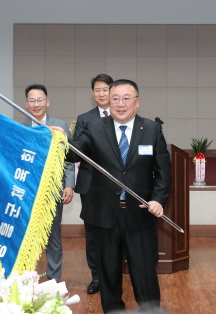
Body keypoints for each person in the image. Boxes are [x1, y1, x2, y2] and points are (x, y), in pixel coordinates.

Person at [68, 79, 172, 313]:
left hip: (140, 215)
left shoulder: (152, 129)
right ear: (108, 101)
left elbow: (163, 172)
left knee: (145, 274)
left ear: (137, 102)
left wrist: (158, 199)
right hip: (104, 216)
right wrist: (56, 141)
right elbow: (73, 154)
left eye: (127, 98)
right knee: (108, 274)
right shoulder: (94, 127)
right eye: (115, 98)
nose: (121, 103)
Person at [22, 84, 75, 283]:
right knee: (28, 236)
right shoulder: (21, 128)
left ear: (47, 102)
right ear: (26, 104)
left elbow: (68, 159)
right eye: (32, 101)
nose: (37, 104)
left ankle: (53, 279)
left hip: (53, 190)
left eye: (40, 100)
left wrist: (68, 185)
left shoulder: (60, 125)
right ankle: (27, 278)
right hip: (28, 191)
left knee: (53, 236)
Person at [73, 73, 114, 294]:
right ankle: (96, 277)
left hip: (116, 185)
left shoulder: (122, 115)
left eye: (105, 89)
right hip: (90, 185)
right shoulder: (85, 118)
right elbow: (77, 152)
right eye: (97, 90)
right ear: (93, 93)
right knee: (93, 233)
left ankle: (114, 275)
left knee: (116, 230)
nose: (101, 94)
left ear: (112, 91)